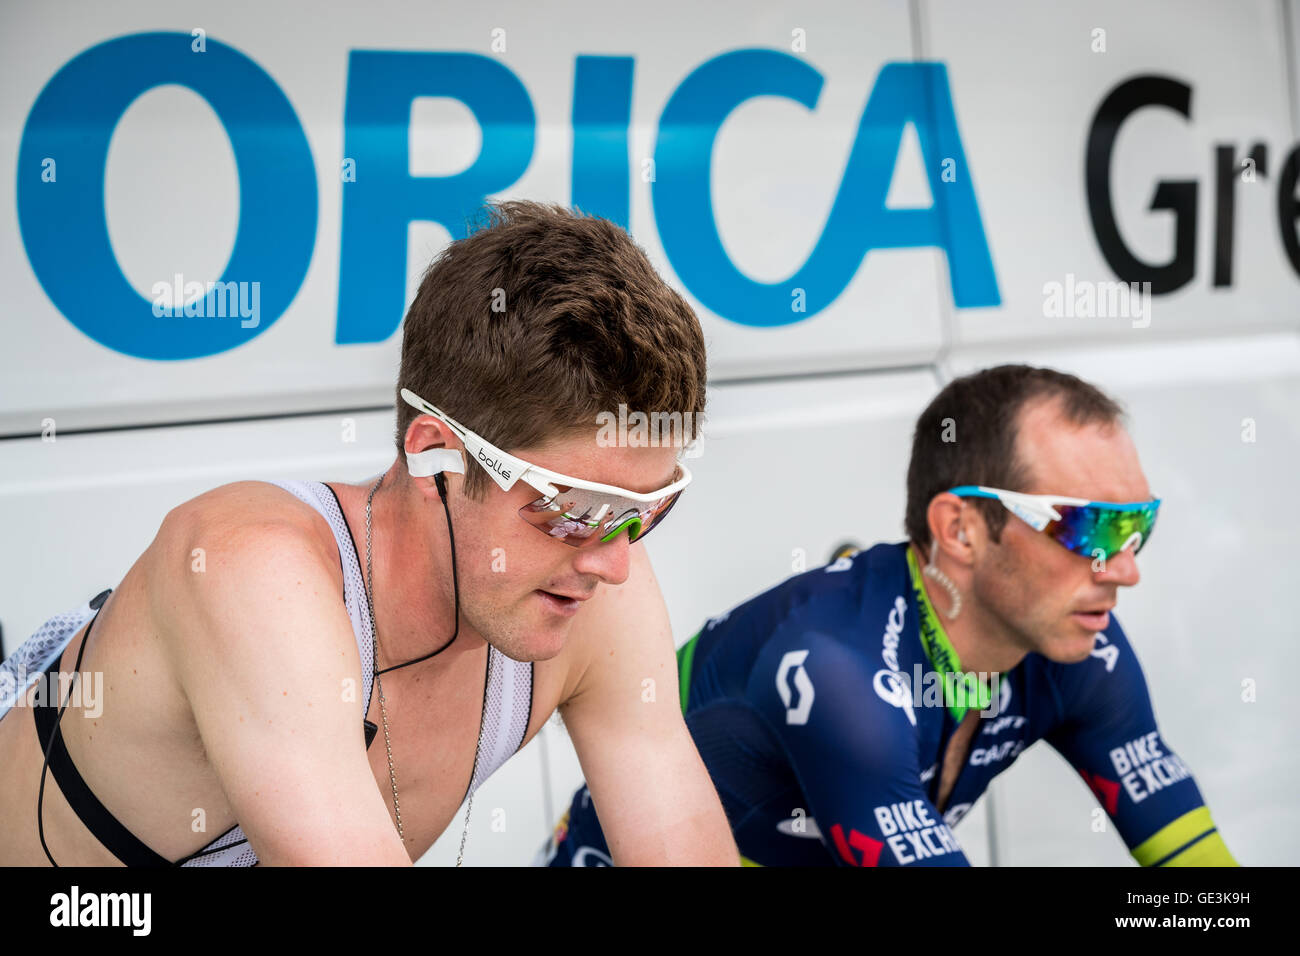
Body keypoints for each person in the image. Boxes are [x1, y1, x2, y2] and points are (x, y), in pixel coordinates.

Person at [0, 200, 737, 867]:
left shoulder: (597, 590)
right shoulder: (251, 568)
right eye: (579, 509)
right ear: (434, 457)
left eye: (648, 511)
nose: (614, 562)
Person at [540, 365, 1238, 867]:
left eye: (1138, 526)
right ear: (961, 530)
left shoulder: (1081, 643)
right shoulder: (837, 664)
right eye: (1091, 530)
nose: (1126, 569)